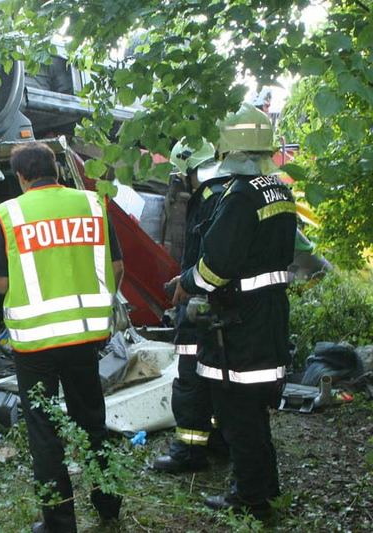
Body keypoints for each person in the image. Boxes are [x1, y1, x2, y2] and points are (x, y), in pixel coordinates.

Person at [0, 142, 123, 533]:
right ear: (57, 169)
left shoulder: (9, 214)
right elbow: (116, 265)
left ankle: (60, 524)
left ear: (21, 177)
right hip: (85, 338)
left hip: (36, 346)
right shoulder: (93, 205)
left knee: (45, 432)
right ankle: (109, 504)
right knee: (93, 421)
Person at [171, 103, 296, 518]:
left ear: (229, 146)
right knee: (253, 408)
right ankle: (263, 485)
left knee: (237, 410)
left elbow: (216, 266)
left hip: (240, 322)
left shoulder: (240, 196)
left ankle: (250, 497)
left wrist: (187, 284)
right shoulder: (279, 188)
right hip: (268, 315)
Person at [153, 139, 230, 473]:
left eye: (178, 173)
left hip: (200, 309)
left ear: (188, 169)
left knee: (190, 381)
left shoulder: (206, 201)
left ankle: (189, 451)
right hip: (220, 310)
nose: (176, 180)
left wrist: (185, 284)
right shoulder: (222, 195)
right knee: (216, 381)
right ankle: (218, 439)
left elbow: (208, 260)